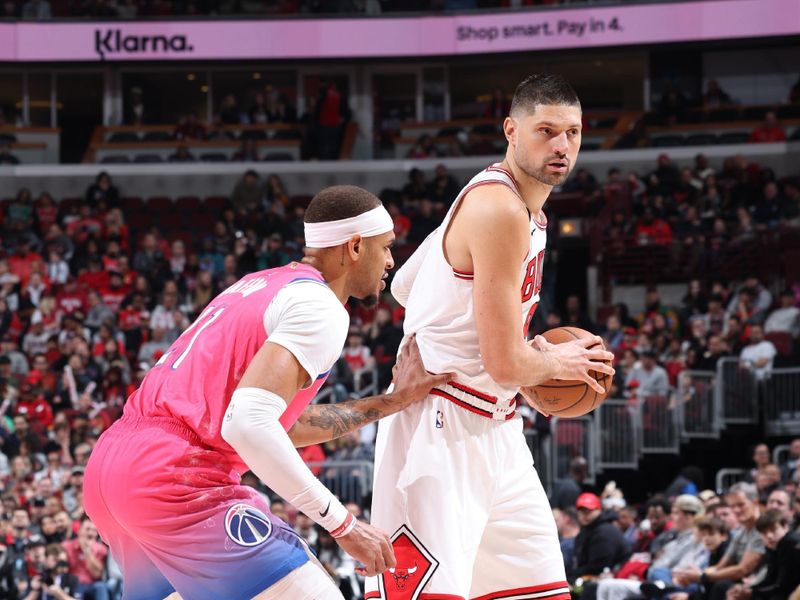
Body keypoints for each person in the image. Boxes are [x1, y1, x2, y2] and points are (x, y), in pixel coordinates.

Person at [83, 186, 453, 599]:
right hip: (175, 477)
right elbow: (249, 423)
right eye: (384, 248)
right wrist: (341, 523)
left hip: (113, 469)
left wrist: (391, 401)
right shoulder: (321, 306)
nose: (389, 261)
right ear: (353, 247)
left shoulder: (259, 284)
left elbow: (271, 423)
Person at [365, 74, 615, 600]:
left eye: (572, 133)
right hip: (440, 422)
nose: (561, 145)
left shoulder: (515, 205)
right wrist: (556, 362)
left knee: (540, 592)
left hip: (497, 425)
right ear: (511, 129)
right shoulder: (499, 208)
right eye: (545, 130)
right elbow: (506, 366)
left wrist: (512, 346)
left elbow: (406, 288)